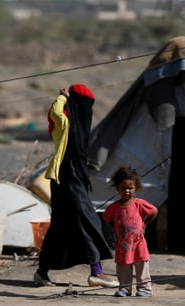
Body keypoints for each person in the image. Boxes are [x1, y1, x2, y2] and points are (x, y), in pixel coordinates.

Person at [33, 84, 119, 288]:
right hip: (67, 176)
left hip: (69, 178)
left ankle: (42, 272)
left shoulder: (79, 126)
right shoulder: (65, 123)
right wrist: (62, 97)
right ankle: (96, 272)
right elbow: (55, 112)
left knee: (60, 226)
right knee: (88, 220)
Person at [102, 167, 158, 297]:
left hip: (138, 243)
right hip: (123, 244)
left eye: (130, 188)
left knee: (141, 266)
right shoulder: (114, 207)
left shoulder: (139, 204)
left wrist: (144, 224)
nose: (127, 191)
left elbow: (153, 211)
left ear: (136, 188)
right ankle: (125, 288)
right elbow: (106, 218)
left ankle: (144, 288)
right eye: (123, 188)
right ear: (117, 188)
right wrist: (115, 227)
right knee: (123, 267)